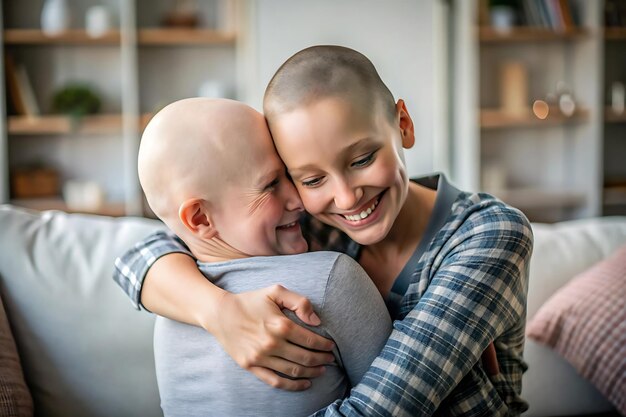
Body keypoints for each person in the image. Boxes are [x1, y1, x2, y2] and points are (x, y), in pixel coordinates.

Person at [114, 45, 534, 416]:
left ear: (402, 124)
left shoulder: (489, 234)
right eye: (311, 180)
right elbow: (144, 251)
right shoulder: (311, 225)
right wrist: (218, 312)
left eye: (362, 158)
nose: (348, 198)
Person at [134, 97, 392, 417]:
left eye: (290, 175)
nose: (298, 198)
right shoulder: (332, 279)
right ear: (200, 219)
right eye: (271, 185)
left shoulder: (169, 306)